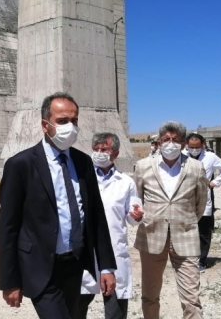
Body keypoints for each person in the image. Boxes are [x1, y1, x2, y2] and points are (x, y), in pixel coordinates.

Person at [0, 92, 117, 319]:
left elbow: (96, 218)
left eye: (74, 121)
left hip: (74, 265)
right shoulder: (20, 165)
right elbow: (8, 227)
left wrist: (106, 266)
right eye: (62, 121)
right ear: (46, 125)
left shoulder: (83, 162)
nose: (70, 127)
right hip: (40, 267)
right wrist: (10, 280)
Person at [134, 121, 208, 319]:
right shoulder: (142, 166)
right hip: (151, 237)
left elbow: (200, 203)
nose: (170, 143)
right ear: (159, 142)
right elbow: (137, 201)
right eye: (166, 139)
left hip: (186, 237)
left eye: (175, 139)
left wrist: (186, 220)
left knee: (191, 298)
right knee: (150, 295)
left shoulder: (196, 167)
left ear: (183, 143)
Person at [77, 132, 143, 319]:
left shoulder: (126, 183)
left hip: (114, 251)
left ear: (115, 153)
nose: (99, 153)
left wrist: (136, 216)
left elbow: (132, 218)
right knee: (77, 307)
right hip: (86, 251)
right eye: (96, 149)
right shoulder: (81, 179)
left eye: (104, 149)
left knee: (116, 309)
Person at [184, 133, 221, 273]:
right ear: (187, 145)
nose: (194, 150)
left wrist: (215, 182)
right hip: (185, 200)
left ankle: (201, 261)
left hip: (204, 198)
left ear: (202, 145)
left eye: (197, 147)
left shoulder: (210, 157)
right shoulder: (181, 156)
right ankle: (187, 260)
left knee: (203, 232)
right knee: (186, 231)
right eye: (191, 147)